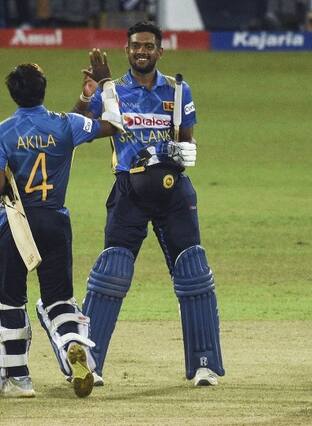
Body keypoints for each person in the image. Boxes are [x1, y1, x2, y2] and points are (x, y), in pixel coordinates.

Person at [72, 21, 224, 387]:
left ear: (160, 51)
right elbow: (77, 127)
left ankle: (204, 364)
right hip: (129, 190)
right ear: (127, 50)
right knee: (111, 272)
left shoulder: (178, 90)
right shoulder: (112, 89)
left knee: (192, 271)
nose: (142, 51)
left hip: (173, 190)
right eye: (136, 46)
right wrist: (87, 95)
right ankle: (89, 365)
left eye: (149, 46)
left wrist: (183, 152)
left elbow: (187, 140)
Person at [0, 63, 122, 398]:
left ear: (13, 94)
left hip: (16, 225)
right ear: (44, 89)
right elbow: (112, 125)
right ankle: (72, 347)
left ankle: (18, 380)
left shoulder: (4, 131)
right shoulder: (65, 124)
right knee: (59, 300)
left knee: (10, 302)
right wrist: (103, 87)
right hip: (55, 222)